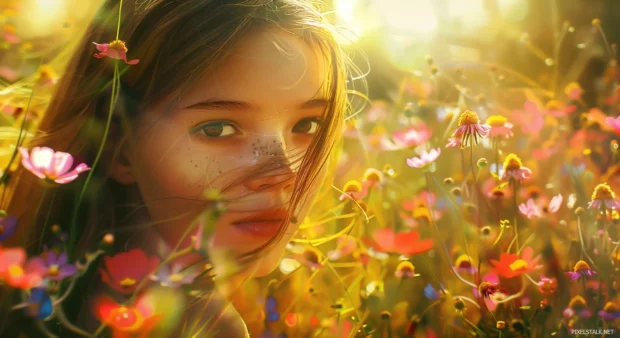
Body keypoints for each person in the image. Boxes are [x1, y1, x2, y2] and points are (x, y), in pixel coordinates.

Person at [0, 0, 351, 336]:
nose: (282, 173)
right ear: (119, 148)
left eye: (308, 126)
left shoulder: (44, 293)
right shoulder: (204, 326)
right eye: (218, 129)